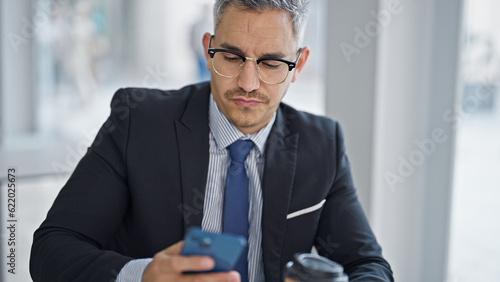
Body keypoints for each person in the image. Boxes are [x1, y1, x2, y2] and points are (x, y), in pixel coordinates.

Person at [30, 1, 394, 281]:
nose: (248, 83)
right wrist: (143, 275)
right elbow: (51, 249)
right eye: (232, 57)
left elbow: (369, 264)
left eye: (270, 63)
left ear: (298, 65)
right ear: (208, 50)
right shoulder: (136, 123)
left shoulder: (322, 144)